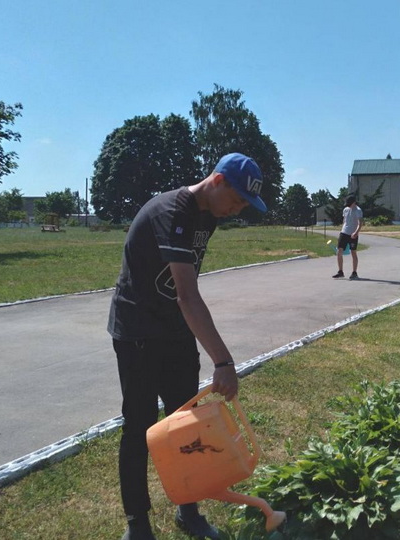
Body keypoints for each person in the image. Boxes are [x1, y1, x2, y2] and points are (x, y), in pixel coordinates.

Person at [107, 153, 267, 540]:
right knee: (140, 425)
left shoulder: (209, 216)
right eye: (238, 198)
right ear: (217, 180)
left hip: (175, 332)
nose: (238, 208)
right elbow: (187, 295)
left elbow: (184, 293)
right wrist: (223, 361)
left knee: (187, 426)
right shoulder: (172, 211)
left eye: (246, 204)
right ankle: (138, 525)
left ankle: (188, 510)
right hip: (138, 332)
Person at [332, 195, 363, 279]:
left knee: (353, 252)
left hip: (353, 234)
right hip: (344, 232)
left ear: (354, 202)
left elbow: (360, 223)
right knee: (339, 251)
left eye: (350, 203)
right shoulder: (345, 209)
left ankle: (354, 272)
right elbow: (344, 220)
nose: (348, 205)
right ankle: (340, 271)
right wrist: (343, 228)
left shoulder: (358, 211)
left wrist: (356, 232)